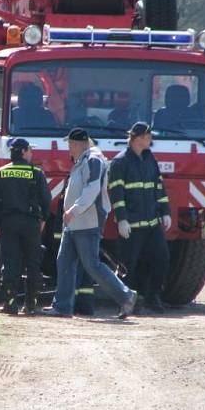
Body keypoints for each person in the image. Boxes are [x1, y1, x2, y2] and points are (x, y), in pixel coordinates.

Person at [44, 127, 137, 319]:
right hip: (74, 224)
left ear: (78, 144)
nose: (68, 148)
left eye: (70, 144)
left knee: (92, 265)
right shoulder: (83, 160)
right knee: (64, 262)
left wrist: (74, 210)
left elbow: (92, 189)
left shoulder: (93, 160)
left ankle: (126, 296)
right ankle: (62, 306)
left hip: (87, 223)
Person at [109, 122, 171, 313]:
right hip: (132, 225)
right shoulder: (120, 162)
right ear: (138, 138)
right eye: (148, 136)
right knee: (129, 265)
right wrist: (122, 219)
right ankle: (128, 301)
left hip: (152, 224)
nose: (151, 140)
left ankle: (152, 296)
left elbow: (158, 187)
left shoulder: (149, 158)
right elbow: (116, 193)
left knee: (162, 258)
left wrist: (165, 211)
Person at [0, 137, 51, 315]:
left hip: (8, 223)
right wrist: (43, 219)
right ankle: (30, 305)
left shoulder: (1, 172)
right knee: (33, 263)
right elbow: (46, 199)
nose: (31, 153)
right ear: (23, 151)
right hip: (31, 223)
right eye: (30, 150)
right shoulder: (36, 172)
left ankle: (10, 303)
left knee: (10, 263)